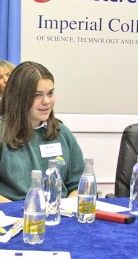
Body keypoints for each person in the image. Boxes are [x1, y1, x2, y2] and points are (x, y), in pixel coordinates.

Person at [0, 61, 84, 202]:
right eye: (37, 95)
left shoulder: (61, 132)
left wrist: (67, 207)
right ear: (19, 97)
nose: (46, 101)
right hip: (12, 212)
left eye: (50, 93)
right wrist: (25, 211)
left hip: (58, 212)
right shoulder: (2, 132)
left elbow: (78, 185)